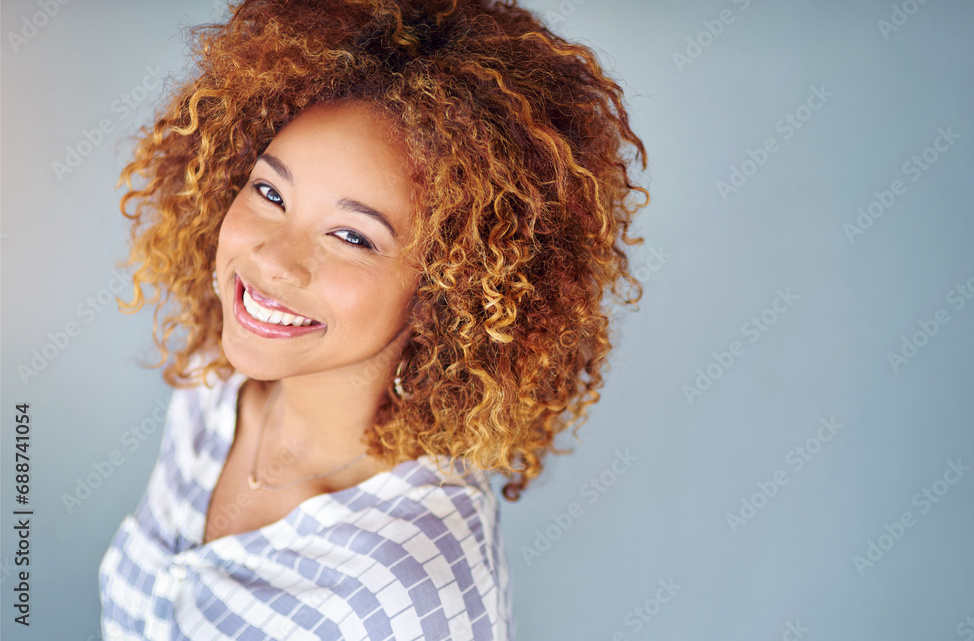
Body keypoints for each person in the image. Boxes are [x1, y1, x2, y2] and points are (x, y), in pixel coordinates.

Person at [98, 0, 648, 639]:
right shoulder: (210, 381)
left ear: (450, 288)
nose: (274, 260)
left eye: (353, 237)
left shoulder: (408, 591)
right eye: (270, 193)